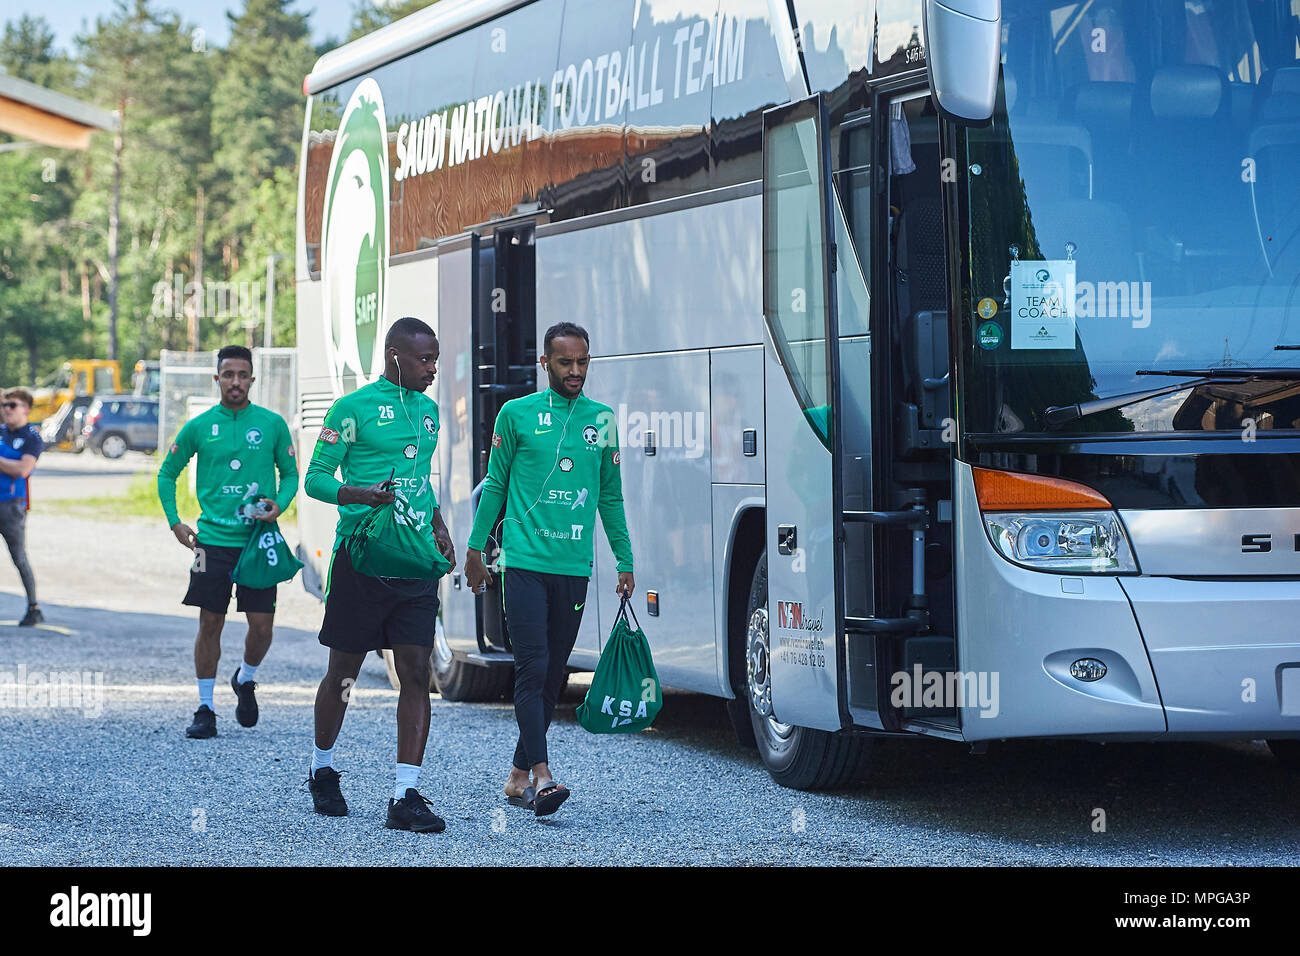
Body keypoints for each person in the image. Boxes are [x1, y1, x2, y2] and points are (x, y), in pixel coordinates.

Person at [465, 321, 634, 818]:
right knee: (532, 666)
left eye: (583, 362)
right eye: (566, 363)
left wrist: (625, 558)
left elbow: (609, 495)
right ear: (545, 364)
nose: (576, 371)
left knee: (552, 674)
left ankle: (516, 776)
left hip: (573, 566)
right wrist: (477, 548)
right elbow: (495, 485)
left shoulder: (601, 420)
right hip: (522, 563)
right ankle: (542, 776)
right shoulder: (515, 414)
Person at [304, 316, 456, 834]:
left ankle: (404, 795)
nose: (432, 368)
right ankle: (323, 769)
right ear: (395, 357)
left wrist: (439, 527)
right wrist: (360, 495)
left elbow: (421, 481)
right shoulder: (352, 410)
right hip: (361, 559)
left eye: (435, 357)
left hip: (413, 563)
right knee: (343, 674)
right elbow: (316, 479)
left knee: (416, 674)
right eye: (424, 359)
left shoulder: (430, 413)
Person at [157, 345, 298, 739]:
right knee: (210, 622)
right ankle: (204, 707)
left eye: (242, 374)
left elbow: (290, 475)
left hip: (257, 540)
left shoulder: (272, 424)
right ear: (216, 378)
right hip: (211, 542)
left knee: (263, 626)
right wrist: (175, 523)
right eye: (228, 374)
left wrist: (279, 505)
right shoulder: (200, 426)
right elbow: (166, 474)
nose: (235, 381)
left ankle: (246, 678)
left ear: (253, 379)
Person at [0, 388, 44, 626]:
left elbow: (22, 469)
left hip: (11, 505)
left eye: (12, 405)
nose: (7, 409)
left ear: (26, 408)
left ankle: (33, 606)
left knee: (19, 558)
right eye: (4, 405)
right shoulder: (1, 433)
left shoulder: (31, 437)